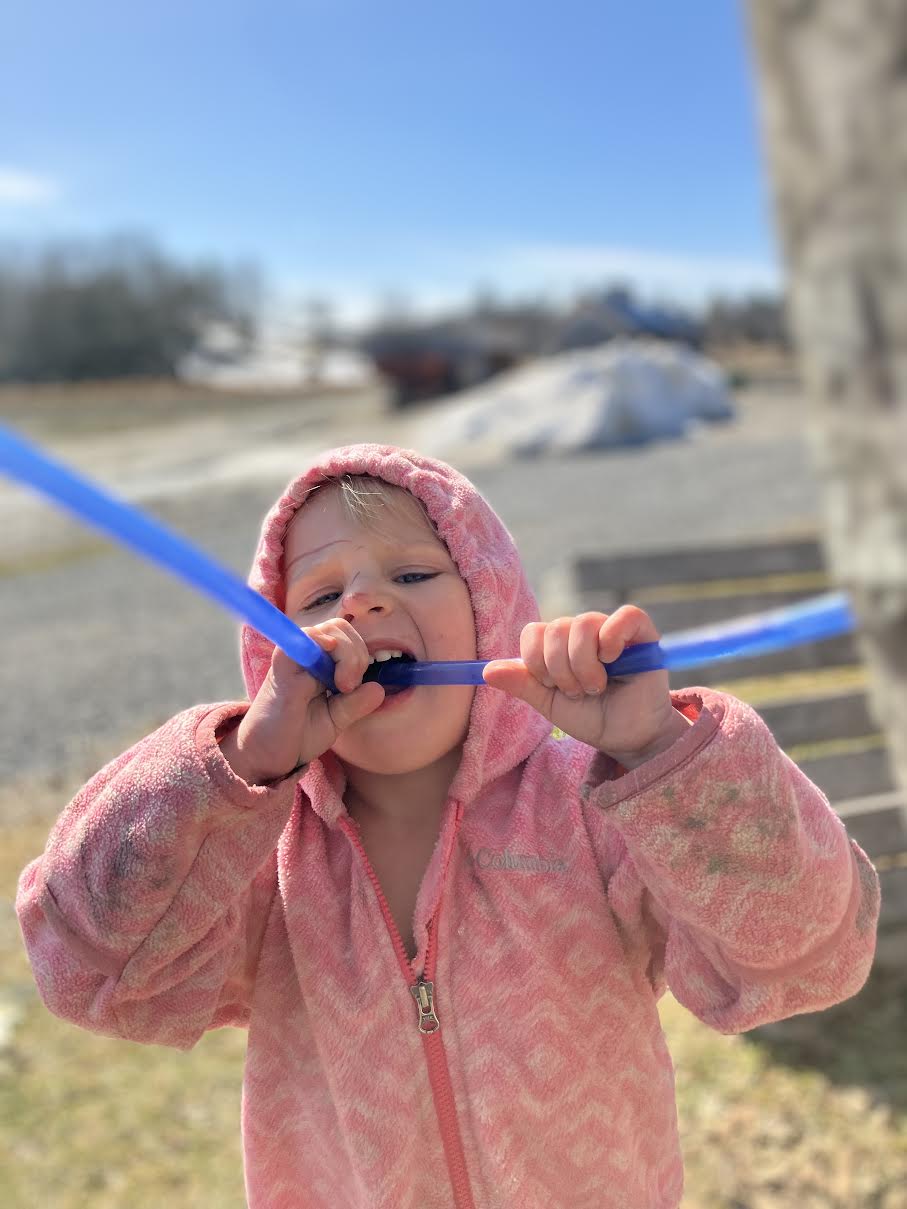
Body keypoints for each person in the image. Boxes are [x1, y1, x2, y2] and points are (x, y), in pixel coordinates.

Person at [16, 443, 881, 1209]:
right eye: (321, 593)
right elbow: (86, 965)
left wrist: (659, 751)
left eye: (412, 574)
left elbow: (806, 954)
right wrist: (238, 760)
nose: (363, 601)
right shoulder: (255, 852)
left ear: (491, 609)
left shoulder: (592, 807)